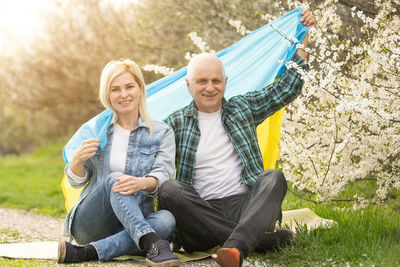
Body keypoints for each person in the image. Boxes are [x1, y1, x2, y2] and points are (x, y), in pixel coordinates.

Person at [158, 9, 317, 267]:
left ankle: (235, 245)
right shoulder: (174, 122)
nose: (210, 88)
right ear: (188, 85)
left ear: (225, 82)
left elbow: (287, 88)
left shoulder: (243, 107)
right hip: (199, 216)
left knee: (273, 177)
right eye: (201, 82)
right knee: (168, 190)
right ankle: (258, 242)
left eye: (216, 81)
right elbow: (145, 152)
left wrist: (303, 37)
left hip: (246, 208)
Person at [58, 59, 179, 266]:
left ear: (141, 89)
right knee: (115, 179)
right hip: (92, 222)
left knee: (167, 219)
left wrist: (142, 183)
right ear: (108, 94)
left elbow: (164, 174)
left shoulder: (161, 132)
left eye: (129, 87)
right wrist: (76, 161)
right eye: (115, 89)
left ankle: (86, 252)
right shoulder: (96, 130)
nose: (124, 95)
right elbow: (77, 181)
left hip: (134, 222)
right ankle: (151, 241)